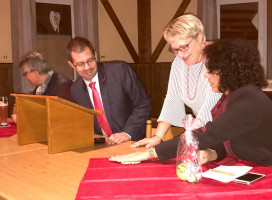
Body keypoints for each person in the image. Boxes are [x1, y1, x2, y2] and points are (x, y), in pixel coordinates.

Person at [110, 38, 272, 166]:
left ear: (228, 72)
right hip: (246, 166)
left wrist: (151, 153)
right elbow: (227, 138)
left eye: (211, 71)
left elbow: (209, 134)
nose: (206, 76)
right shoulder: (232, 97)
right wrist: (211, 154)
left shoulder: (249, 101)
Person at [131, 14, 222, 149]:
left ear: (199, 37)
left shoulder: (217, 60)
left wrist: (176, 146)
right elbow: (172, 99)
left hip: (227, 133)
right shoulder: (179, 63)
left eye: (184, 47)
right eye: (175, 49)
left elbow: (210, 107)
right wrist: (158, 137)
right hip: (205, 136)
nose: (180, 54)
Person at [67, 37, 151, 145]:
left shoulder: (119, 71)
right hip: (100, 147)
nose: (87, 67)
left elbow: (143, 103)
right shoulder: (75, 89)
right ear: (72, 65)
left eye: (90, 60)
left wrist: (126, 133)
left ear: (95, 55)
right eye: (80, 64)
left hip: (131, 143)